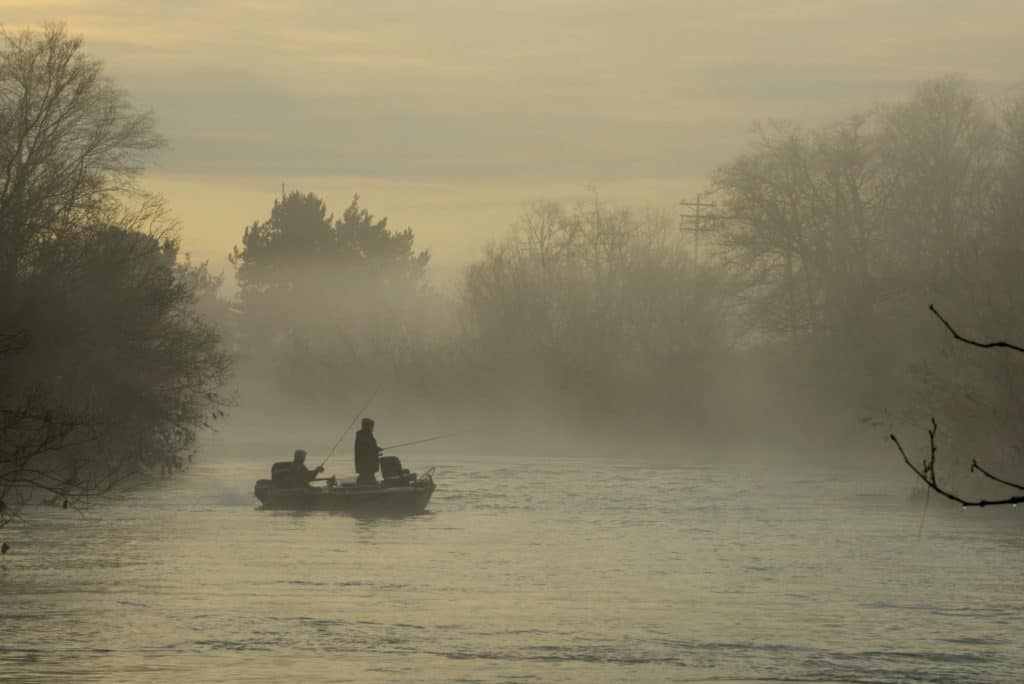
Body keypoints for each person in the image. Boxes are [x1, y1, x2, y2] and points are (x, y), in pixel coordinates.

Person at [354, 418, 382, 485]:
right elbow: (366, 449)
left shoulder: (366, 435)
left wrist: (376, 450)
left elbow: (369, 448)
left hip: (368, 467)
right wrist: (375, 450)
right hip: (366, 465)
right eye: (371, 426)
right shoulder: (363, 435)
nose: (372, 428)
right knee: (367, 480)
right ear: (366, 425)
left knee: (366, 478)